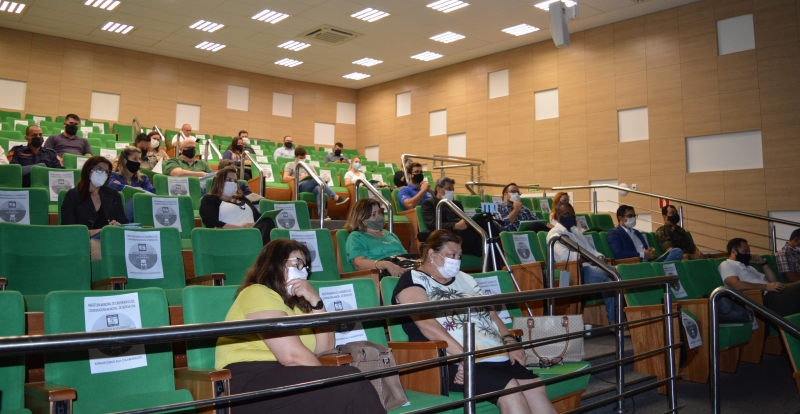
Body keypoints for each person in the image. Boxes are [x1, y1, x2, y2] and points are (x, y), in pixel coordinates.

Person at [392, 229, 556, 414]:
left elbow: (492, 315)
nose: (456, 260)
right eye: (451, 255)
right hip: (451, 362)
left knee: (535, 386)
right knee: (510, 389)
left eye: (459, 255)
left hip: (492, 354)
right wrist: (465, 357)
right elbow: (426, 324)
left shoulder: (466, 279)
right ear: (432, 254)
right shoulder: (412, 280)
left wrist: (510, 342)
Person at [215, 238, 384, 413]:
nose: (302, 271)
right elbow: (291, 356)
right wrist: (327, 381)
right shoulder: (257, 292)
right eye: (297, 264)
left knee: (346, 384)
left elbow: (325, 348)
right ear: (274, 263)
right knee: (349, 382)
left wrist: (317, 302)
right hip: (250, 381)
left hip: (289, 376)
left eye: (305, 267)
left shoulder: (298, 306)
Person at [547, 203, 615, 325]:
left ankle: (623, 317)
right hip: (574, 272)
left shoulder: (576, 231)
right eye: (567, 214)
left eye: (573, 214)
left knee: (618, 271)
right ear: (558, 216)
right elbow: (566, 256)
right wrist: (590, 259)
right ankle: (614, 321)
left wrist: (600, 257)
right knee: (609, 278)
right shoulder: (554, 233)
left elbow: (591, 250)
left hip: (590, 266)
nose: (571, 217)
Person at [61, 156, 128, 260]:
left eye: (106, 172)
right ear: (88, 170)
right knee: (110, 252)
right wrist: (101, 230)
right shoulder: (73, 195)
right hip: (84, 241)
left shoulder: (113, 194)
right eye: (99, 169)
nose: (103, 173)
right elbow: (69, 229)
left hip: (110, 238)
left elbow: (123, 222)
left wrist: (117, 226)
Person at [719, 238, 800, 317]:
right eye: (745, 251)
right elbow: (736, 285)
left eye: (749, 252)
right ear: (734, 251)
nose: (748, 255)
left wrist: (763, 263)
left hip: (775, 295)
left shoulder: (750, 268)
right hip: (763, 300)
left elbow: (773, 281)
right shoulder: (726, 264)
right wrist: (765, 287)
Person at [344, 198, 408, 276]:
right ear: (362, 220)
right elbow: (358, 264)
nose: (379, 216)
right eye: (373, 214)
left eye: (379, 212)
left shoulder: (390, 235)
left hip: (404, 268)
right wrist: (386, 264)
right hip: (382, 274)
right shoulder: (356, 237)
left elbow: (406, 256)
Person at [421, 177, 483, 256]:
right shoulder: (429, 203)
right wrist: (455, 226)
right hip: (448, 235)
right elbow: (433, 224)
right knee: (484, 239)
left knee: (484, 221)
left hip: (464, 234)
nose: (451, 192)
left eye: (452, 189)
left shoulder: (457, 204)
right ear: (438, 189)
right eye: (448, 189)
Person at [608, 205, 683, 263]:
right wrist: (643, 255)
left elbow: (647, 250)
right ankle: (663, 268)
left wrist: (651, 252)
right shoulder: (614, 233)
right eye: (630, 216)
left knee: (676, 251)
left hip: (650, 262)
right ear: (620, 218)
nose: (633, 218)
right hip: (637, 263)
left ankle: (663, 268)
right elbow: (618, 254)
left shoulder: (637, 232)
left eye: (634, 215)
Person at [282, 147, 348, 207]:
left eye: (304, 157)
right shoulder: (290, 164)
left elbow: (315, 176)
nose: (302, 159)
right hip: (299, 186)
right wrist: (301, 177)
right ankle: (335, 197)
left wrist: (322, 181)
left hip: (311, 185)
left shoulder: (309, 166)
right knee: (319, 179)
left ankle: (322, 214)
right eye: (300, 158)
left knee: (320, 188)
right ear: (295, 156)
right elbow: (285, 178)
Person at [109, 146, 156, 222]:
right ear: (125, 160)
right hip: (120, 210)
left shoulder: (143, 178)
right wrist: (138, 190)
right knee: (134, 201)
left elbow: (152, 191)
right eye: (135, 159)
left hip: (141, 210)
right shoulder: (114, 175)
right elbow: (112, 186)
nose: (138, 162)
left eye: (139, 159)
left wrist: (125, 187)